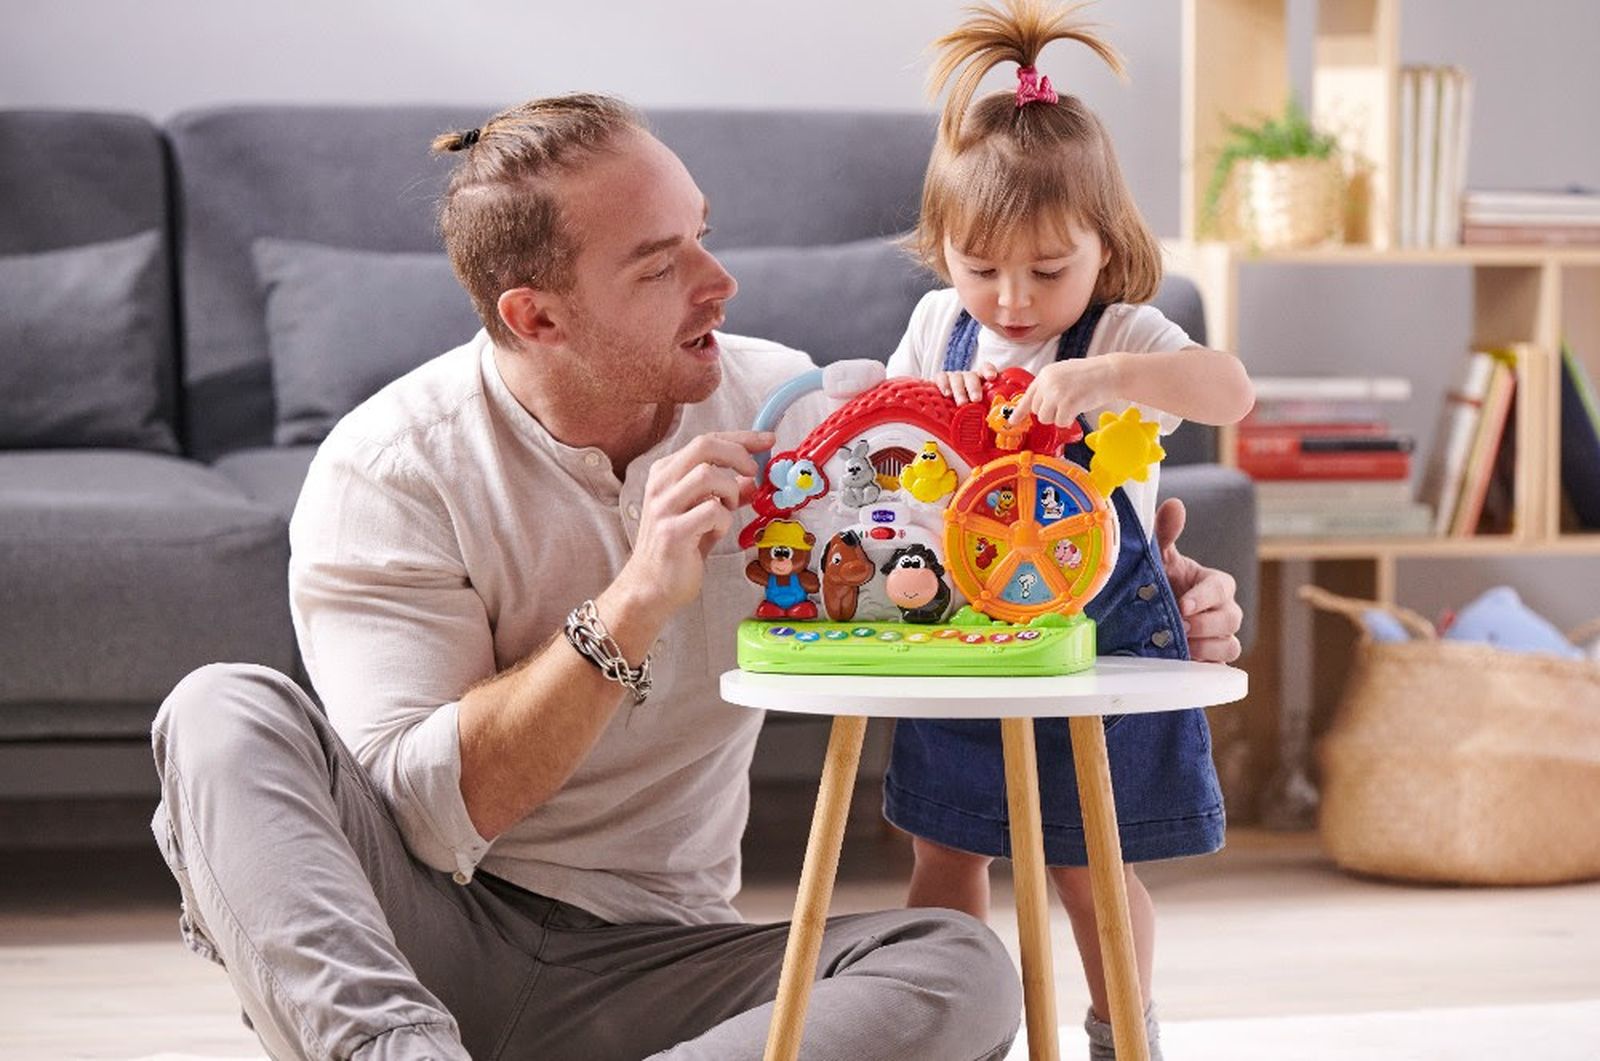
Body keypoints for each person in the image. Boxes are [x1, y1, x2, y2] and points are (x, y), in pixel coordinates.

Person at [149, 92, 1243, 1060]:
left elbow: (946, 552)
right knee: (218, 710)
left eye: (703, 238)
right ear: (537, 315)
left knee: (958, 966)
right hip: (430, 941)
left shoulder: (790, 416)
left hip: (670, 966)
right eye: (659, 264)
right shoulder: (391, 467)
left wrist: (1136, 592)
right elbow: (430, 822)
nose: (721, 283)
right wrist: (632, 601)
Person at [880, 3, 1255, 1060]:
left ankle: (1119, 1031)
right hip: (966, 628)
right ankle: (943, 1031)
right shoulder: (936, 326)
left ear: (1105, 246)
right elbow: (888, 446)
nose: (1010, 299)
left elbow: (1228, 391)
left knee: (1088, 860)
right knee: (943, 849)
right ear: (942, 252)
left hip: (1100, 633)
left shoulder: (1125, 331)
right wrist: (934, 410)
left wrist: (1101, 376)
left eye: (1048, 271)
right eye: (979, 266)